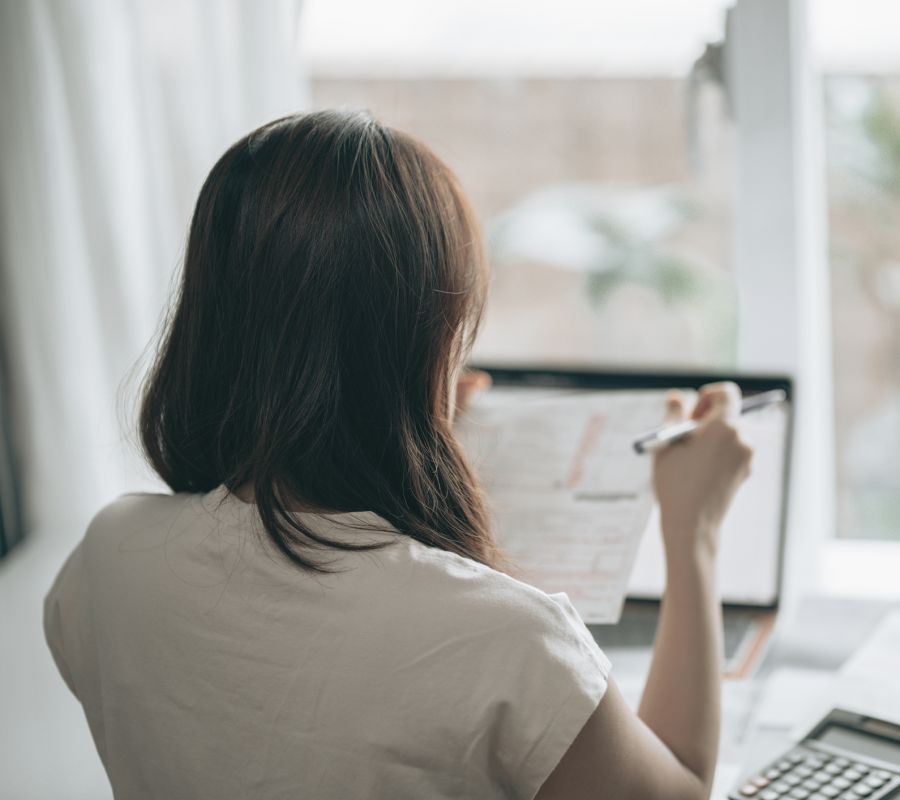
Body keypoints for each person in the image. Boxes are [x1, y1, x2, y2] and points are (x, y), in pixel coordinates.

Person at [44, 110, 753, 800]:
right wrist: (693, 531)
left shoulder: (110, 556)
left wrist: (404, 418)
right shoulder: (507, 641)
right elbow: (682, 788)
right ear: (433, 346)